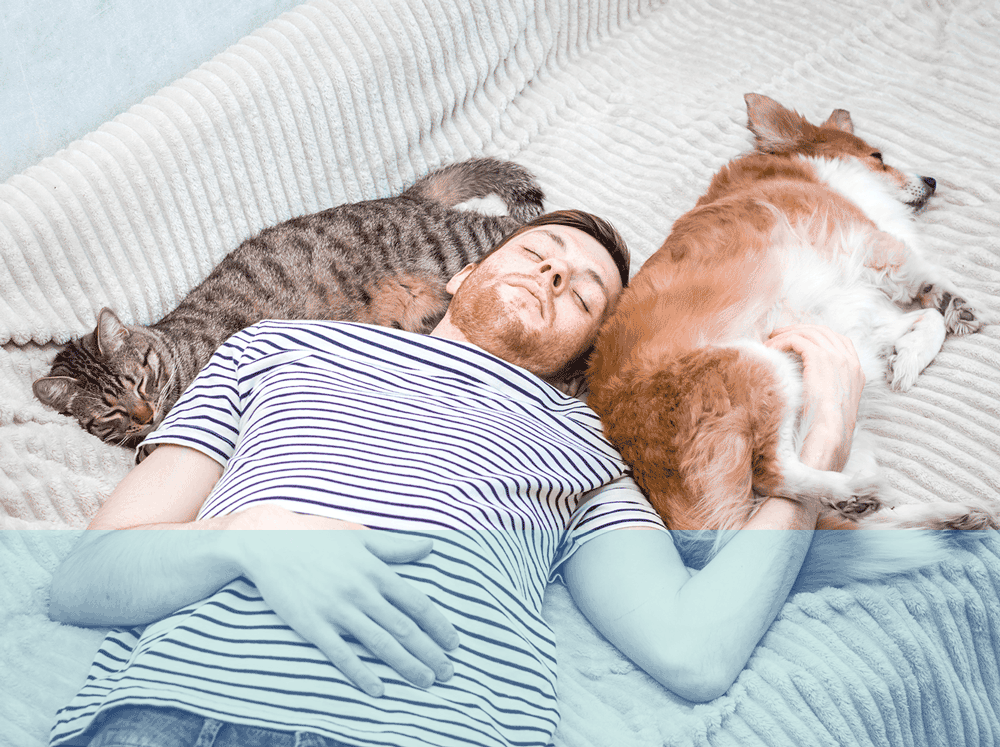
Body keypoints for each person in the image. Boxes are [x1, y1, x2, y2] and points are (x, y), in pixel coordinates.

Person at [47, 209, 865, 747]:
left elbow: (695, 649)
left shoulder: (582, 444)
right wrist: (250, 537)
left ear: (586, 353)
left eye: (582, 291)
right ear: (462, 275)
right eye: (537, 253)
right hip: (176, 711)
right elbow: (85, 580)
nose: (554, 274)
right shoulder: (274, 349)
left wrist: (816, 454)